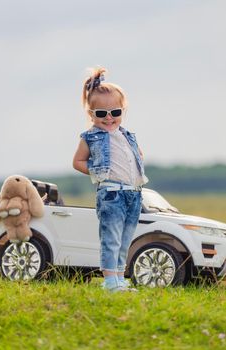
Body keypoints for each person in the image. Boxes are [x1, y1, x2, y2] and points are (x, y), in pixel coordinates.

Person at [73, 67, 148, 292]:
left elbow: (139, 155)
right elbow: (77, 162)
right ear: (91, 114)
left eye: (115, 112)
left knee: (125, 241)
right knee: (111, 238)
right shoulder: (90, 137)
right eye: (101, 113)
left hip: (133, 194)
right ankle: (109, 282)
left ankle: (119, 278)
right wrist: (98, 172)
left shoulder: (127, 135)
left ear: (122, 111)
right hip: (112, 193)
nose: (108, 118)